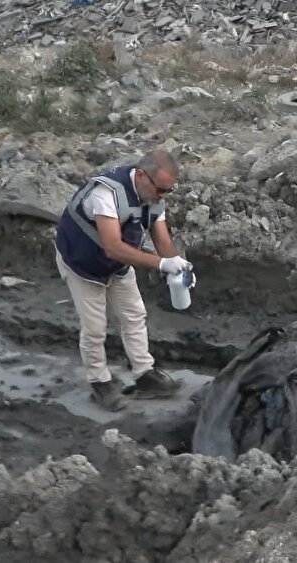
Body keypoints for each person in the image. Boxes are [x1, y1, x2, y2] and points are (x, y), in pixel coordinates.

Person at [54, 149, 191, 411]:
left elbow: (162, 239)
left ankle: (144, 374)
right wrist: (162, 264)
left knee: (134, 316)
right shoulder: (106, 194)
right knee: (95, 327)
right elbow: (113, 247)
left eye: (167, 191)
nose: (162, 196)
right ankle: (100, 382)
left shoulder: (153, 197)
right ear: (141, 176)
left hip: (117, 266)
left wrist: (179, 267)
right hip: (82, 263)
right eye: (160, 189)